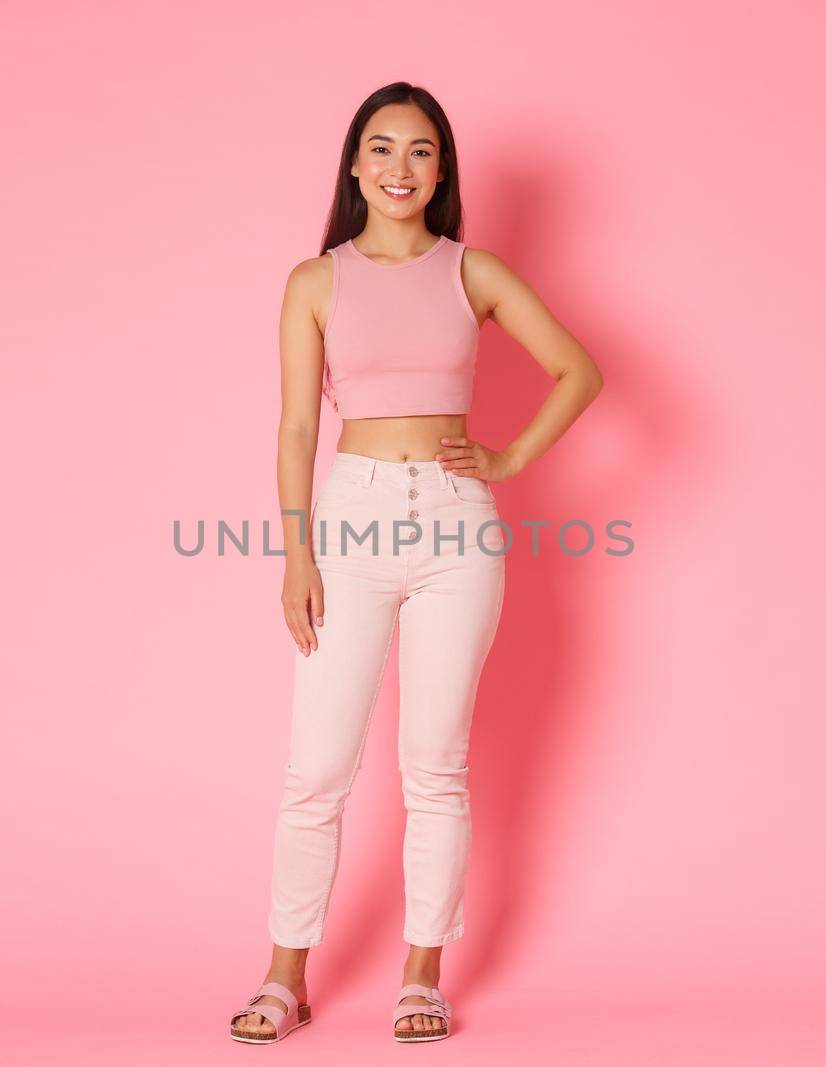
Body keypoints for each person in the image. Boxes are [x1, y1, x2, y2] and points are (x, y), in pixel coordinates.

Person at [228, 81, 604, 1046]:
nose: (402, 168)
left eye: (422, 151)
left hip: (455, 530)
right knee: (317, 767)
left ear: (443, 171)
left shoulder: (471, 272)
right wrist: (296, 553)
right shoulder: (315, 282)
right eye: (383, 149)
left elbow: (580, 370)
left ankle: (421, 975)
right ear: (354, 165)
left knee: (436, 767)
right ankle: (284, 975)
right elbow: (300, 426)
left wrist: (512, 458)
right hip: (349, 524)